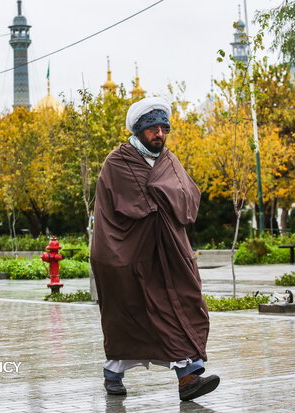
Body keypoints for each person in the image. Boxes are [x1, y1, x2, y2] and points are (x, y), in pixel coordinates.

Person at [90, 96, 220, 401]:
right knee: (131, 316)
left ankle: (188, 377)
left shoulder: (169, 161)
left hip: (168, 256)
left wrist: (168, 193)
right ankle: (113, 373)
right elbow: (134, 204)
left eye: (164, 127)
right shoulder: (118, 161)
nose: (159, 133)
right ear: (138, 131)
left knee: (180, 307)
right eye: (152, 128)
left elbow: (187, 196)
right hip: (130, 258)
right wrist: (163, 192)